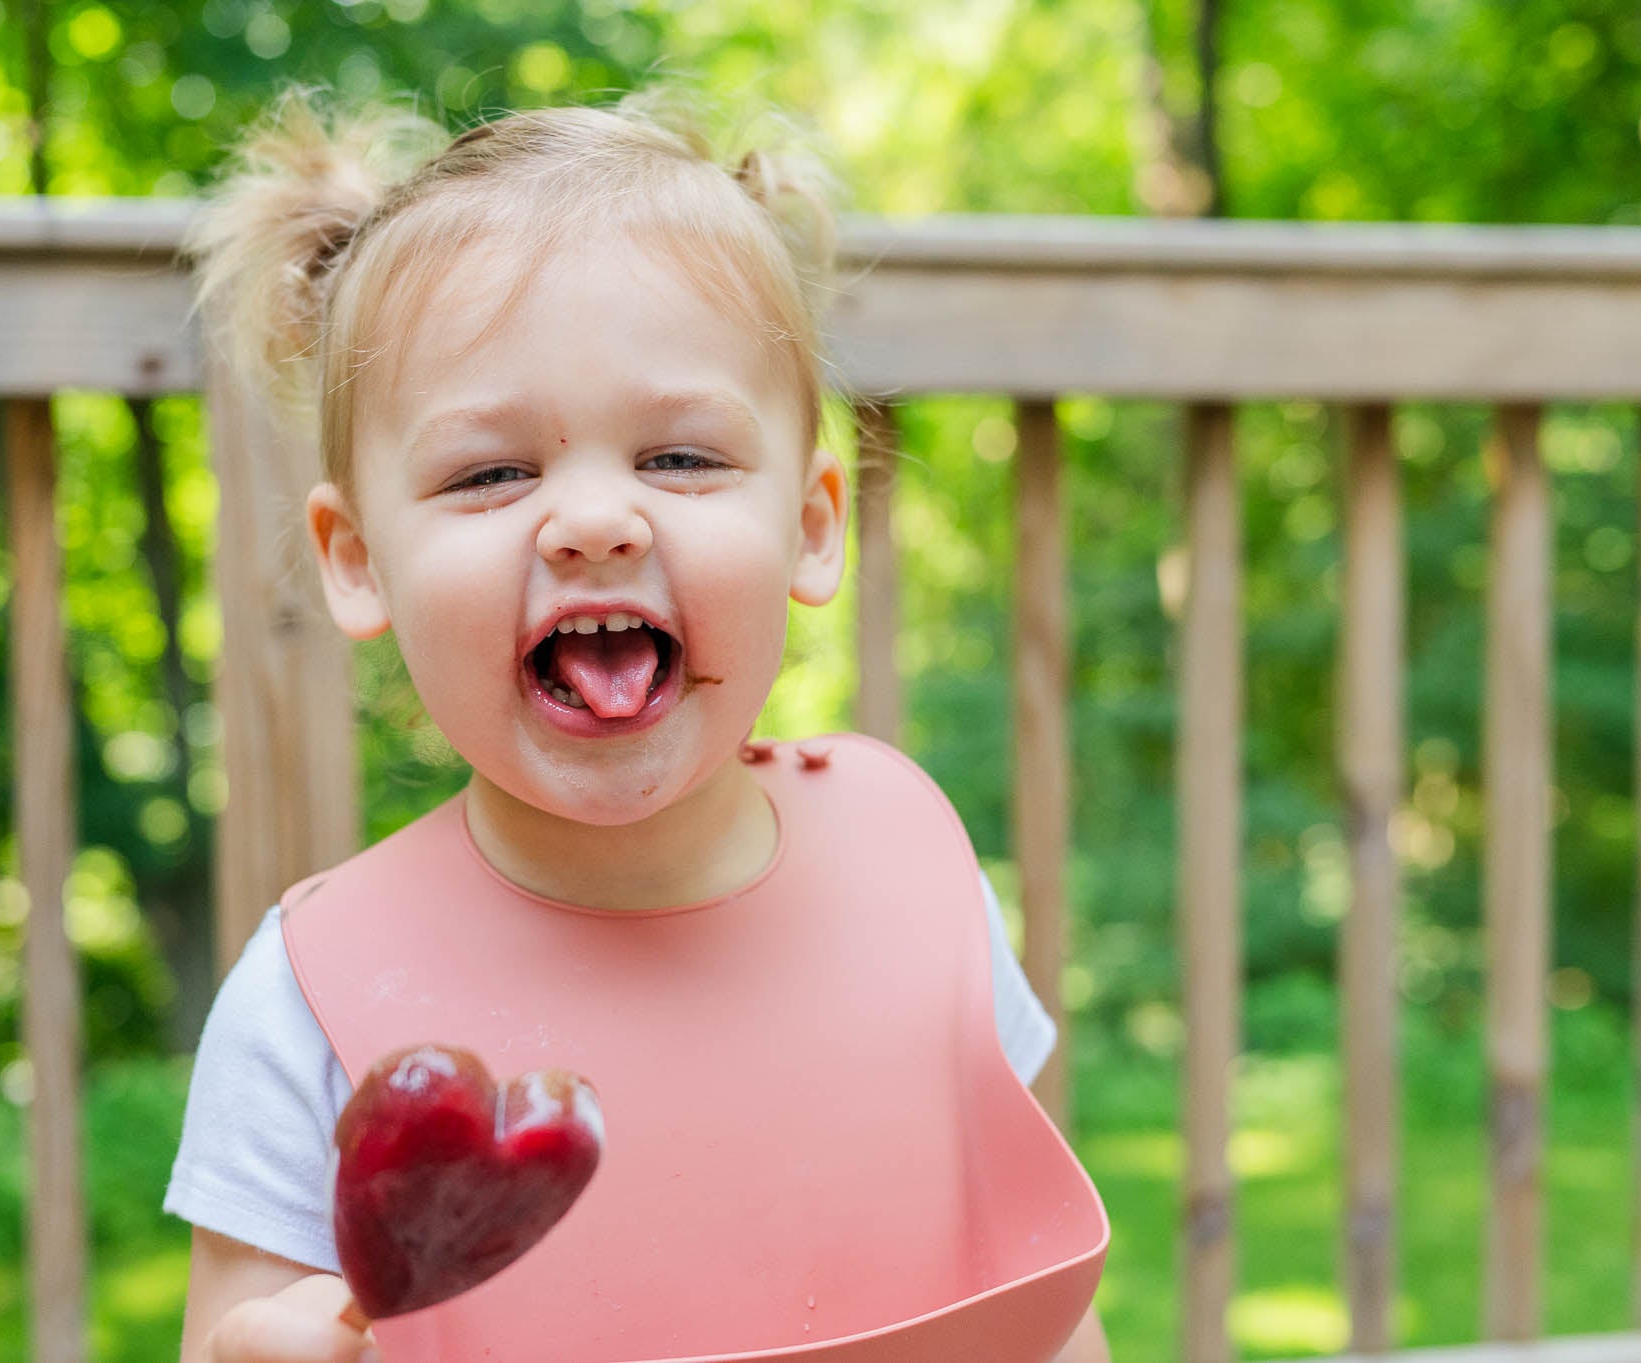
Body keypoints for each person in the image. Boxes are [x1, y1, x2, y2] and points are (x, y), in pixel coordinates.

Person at [163, 86, 1112, 1363]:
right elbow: (237, 1332)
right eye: (489, 473)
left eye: (678, 458)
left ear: (814, 523)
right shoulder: (315, 999)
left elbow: (1044, 1308)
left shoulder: (914, 873)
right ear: (357, 560)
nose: (592, 519)